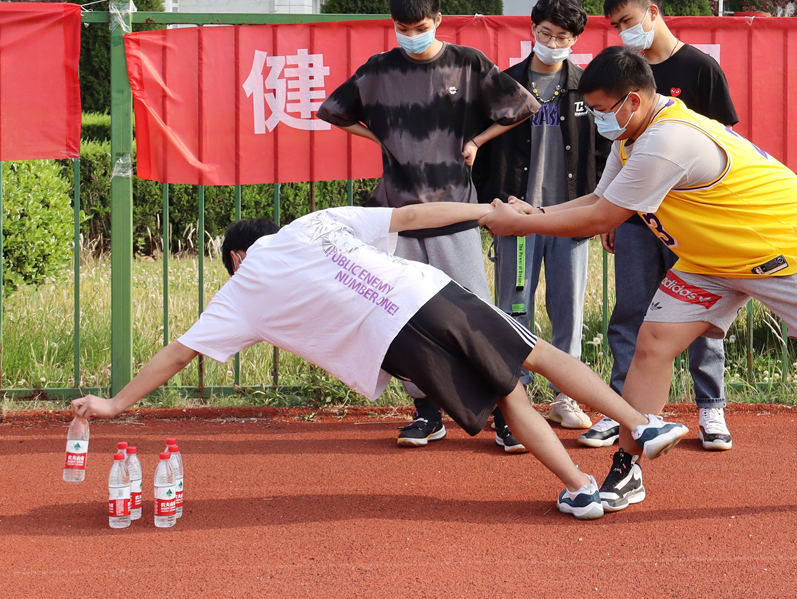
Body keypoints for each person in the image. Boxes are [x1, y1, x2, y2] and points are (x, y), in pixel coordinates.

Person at [480, 46, 797, 512]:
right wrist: (536, 213)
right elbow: (600, 198)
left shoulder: (667, 140)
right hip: (709, 260)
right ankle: (626, 468)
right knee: (653, 344)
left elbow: (601, 218)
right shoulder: (632, 136)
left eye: (601, 111)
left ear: (632, 101)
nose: (598, 121)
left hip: (784, 251)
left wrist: (523, 223)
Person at [70, 202, 689, 520]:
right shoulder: (314, 223)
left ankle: (580, 490)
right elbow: (413, 217)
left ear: (235, 255)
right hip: (428, 293)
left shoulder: (243, 288)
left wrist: (114, 403)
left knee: (509, 396)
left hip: (397, 343)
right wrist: (488, 215)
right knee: (538, 353)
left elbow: (179, 355)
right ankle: (641, 422)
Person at [317, 0, 539, 452]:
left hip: (454, 208)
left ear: (438, 20)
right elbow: (333, 110)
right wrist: (379, 138)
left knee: (478, 314)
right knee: (404, 315)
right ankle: (425, 412)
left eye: (420, 28)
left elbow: (523, 106)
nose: (411, 36)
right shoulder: (379, 70)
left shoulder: (468, 63)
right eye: (402, 28)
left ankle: (506, 413)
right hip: (396, 213)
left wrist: (478, 140)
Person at [580, 0, 740, 453]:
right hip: (634, 219)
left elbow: (725, 145)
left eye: (627, 21)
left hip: (691, 226)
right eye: (614, 25)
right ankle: (624, 411)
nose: (622, 31)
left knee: (700, 312)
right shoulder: (621, 73)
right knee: (630, 311)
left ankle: (711, 408)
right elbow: (616, 148)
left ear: (654, 12)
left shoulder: (701, 69)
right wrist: (610, 215)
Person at [470, 0, 610, 432]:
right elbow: (480, 151)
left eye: (562, 36)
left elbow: (607, 153)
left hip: (571, 220)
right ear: (532, 30)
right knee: (515, 310)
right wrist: (490, 205)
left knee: (567, 311)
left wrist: (603, 211)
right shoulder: (505, 86)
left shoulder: (588, 89)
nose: (552, 41)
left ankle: (567, 399)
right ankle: (516, 399)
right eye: (545, 33)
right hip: (518, 223)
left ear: (575, 39)